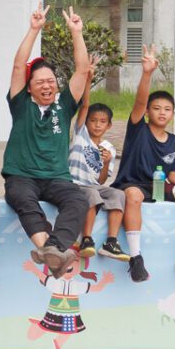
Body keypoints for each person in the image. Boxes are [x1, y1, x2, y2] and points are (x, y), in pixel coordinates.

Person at [0, 5, 94, 275]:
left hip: (57, 178)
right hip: (22, 175)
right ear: (29, 88)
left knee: (78, 201)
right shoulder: (20, 105)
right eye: (39, 82)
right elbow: (19, 66)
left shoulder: (64, 106)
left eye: (51, 81)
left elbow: (82, 69)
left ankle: (52, 248)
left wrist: (77, 32)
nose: (46, 86)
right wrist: (34, 29)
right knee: (20, 197)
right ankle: (51, 253)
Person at [107, 51, 175, 282]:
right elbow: (140, 100)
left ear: (173, 114)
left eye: (167, 109)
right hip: (133, 185)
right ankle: (135, 257)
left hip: (160, 187)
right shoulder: (138, 129)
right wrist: (147, 73)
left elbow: (173, 173)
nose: (162, 112)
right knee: (132, 195)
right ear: (148, 112)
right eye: (156, 108)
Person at [68, 96, 125, 261]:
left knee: (118, 194)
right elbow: (84, 105)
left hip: (94, 185)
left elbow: (101, 181)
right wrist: (88, 79)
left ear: (109, 125)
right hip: (75, 184)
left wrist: (106, 163)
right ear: (86, 122)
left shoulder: (109, 149)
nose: (98, 125)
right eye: (93, 120)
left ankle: (111, 242)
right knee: (92, 194)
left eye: (102, 121)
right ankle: (86, 239)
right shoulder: (80, 135)